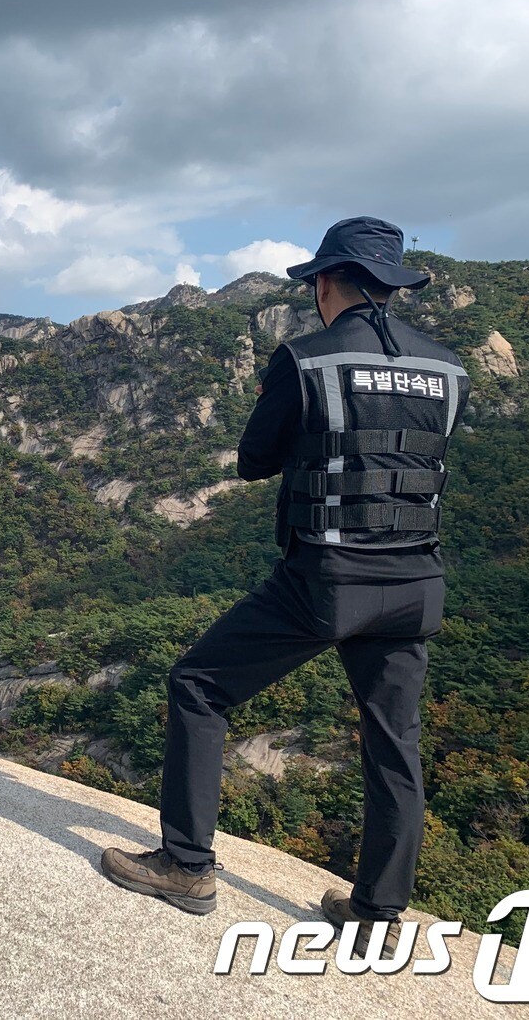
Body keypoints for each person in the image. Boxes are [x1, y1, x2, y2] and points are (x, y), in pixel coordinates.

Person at [99, 217, 470, 956]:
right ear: (391, 287)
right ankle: (376, 909)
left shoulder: (307, 358)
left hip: (329, 578)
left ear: (326, 282)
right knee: (395, 742)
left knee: (199, 686)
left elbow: (253, 459)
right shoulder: (448, 367)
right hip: (416, 581)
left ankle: (186, 865)